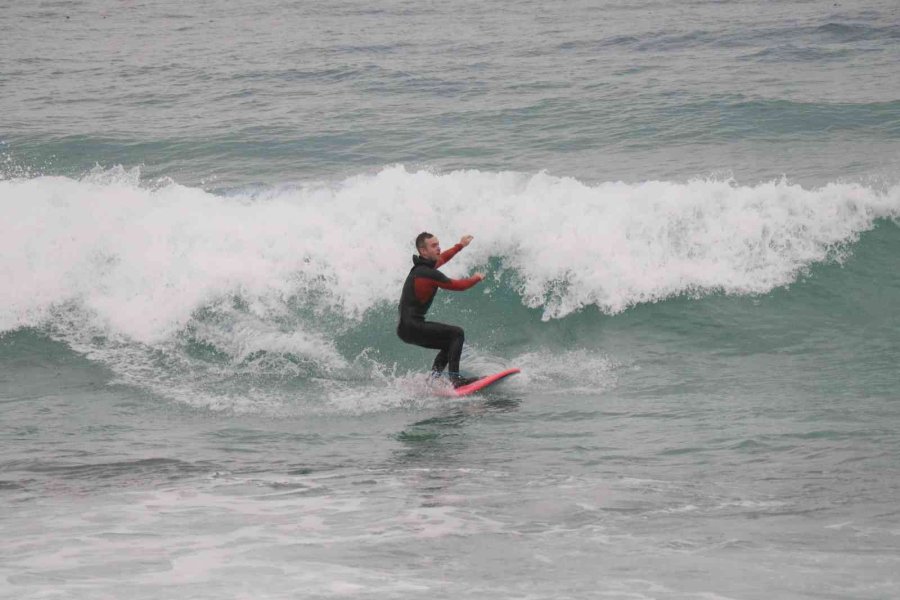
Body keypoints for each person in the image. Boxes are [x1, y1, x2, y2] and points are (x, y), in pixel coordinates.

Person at [397, 232, 485, 387]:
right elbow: (459, 286)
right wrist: (476, 278)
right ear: (423, 251)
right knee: (457, 333)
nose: (438, 248)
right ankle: (455, 380)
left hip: (406, 327)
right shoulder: (426, 273)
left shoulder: (422, 268)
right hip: (412, 325)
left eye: (438, 244)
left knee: (448, 343)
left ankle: (434, 378)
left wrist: (460, 246)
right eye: (434, 245)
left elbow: (442, 257)